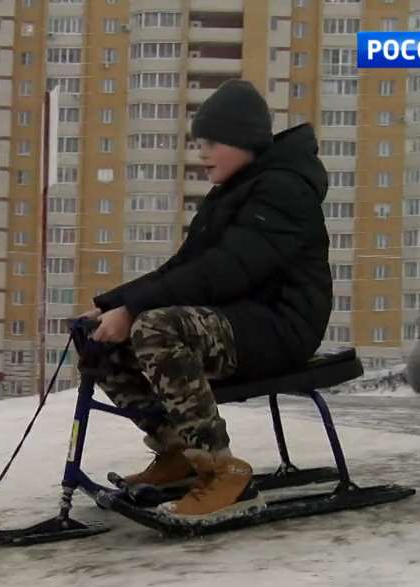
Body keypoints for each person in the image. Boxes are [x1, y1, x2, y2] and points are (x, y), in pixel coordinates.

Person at [80, 79, 332, 524]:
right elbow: (185, 266)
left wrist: (134, 309)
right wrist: (110, 305)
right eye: (200, 142)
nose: (201, 153)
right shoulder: (234, 191)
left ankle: (222, 472)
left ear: (244, 139)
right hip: (237, 320)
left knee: (155, 327)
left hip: (279, 326)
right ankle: (177, 451)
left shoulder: (284, 190)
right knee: (95, 337)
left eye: (212, 142)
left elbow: (226, 270)